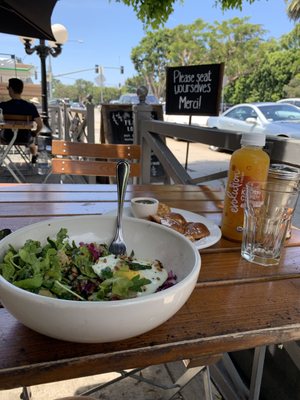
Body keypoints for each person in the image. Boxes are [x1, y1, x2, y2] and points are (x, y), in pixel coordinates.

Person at [0, 78, 43, 163]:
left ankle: (2, 159)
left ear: (11, 89)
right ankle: (34, 156)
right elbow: (40, 125)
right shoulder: (30, 107)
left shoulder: (3, 106)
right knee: (32, 139)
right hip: (25, 137)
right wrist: (35, 133)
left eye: (8, 88)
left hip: (6, 137)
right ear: (21, 90)